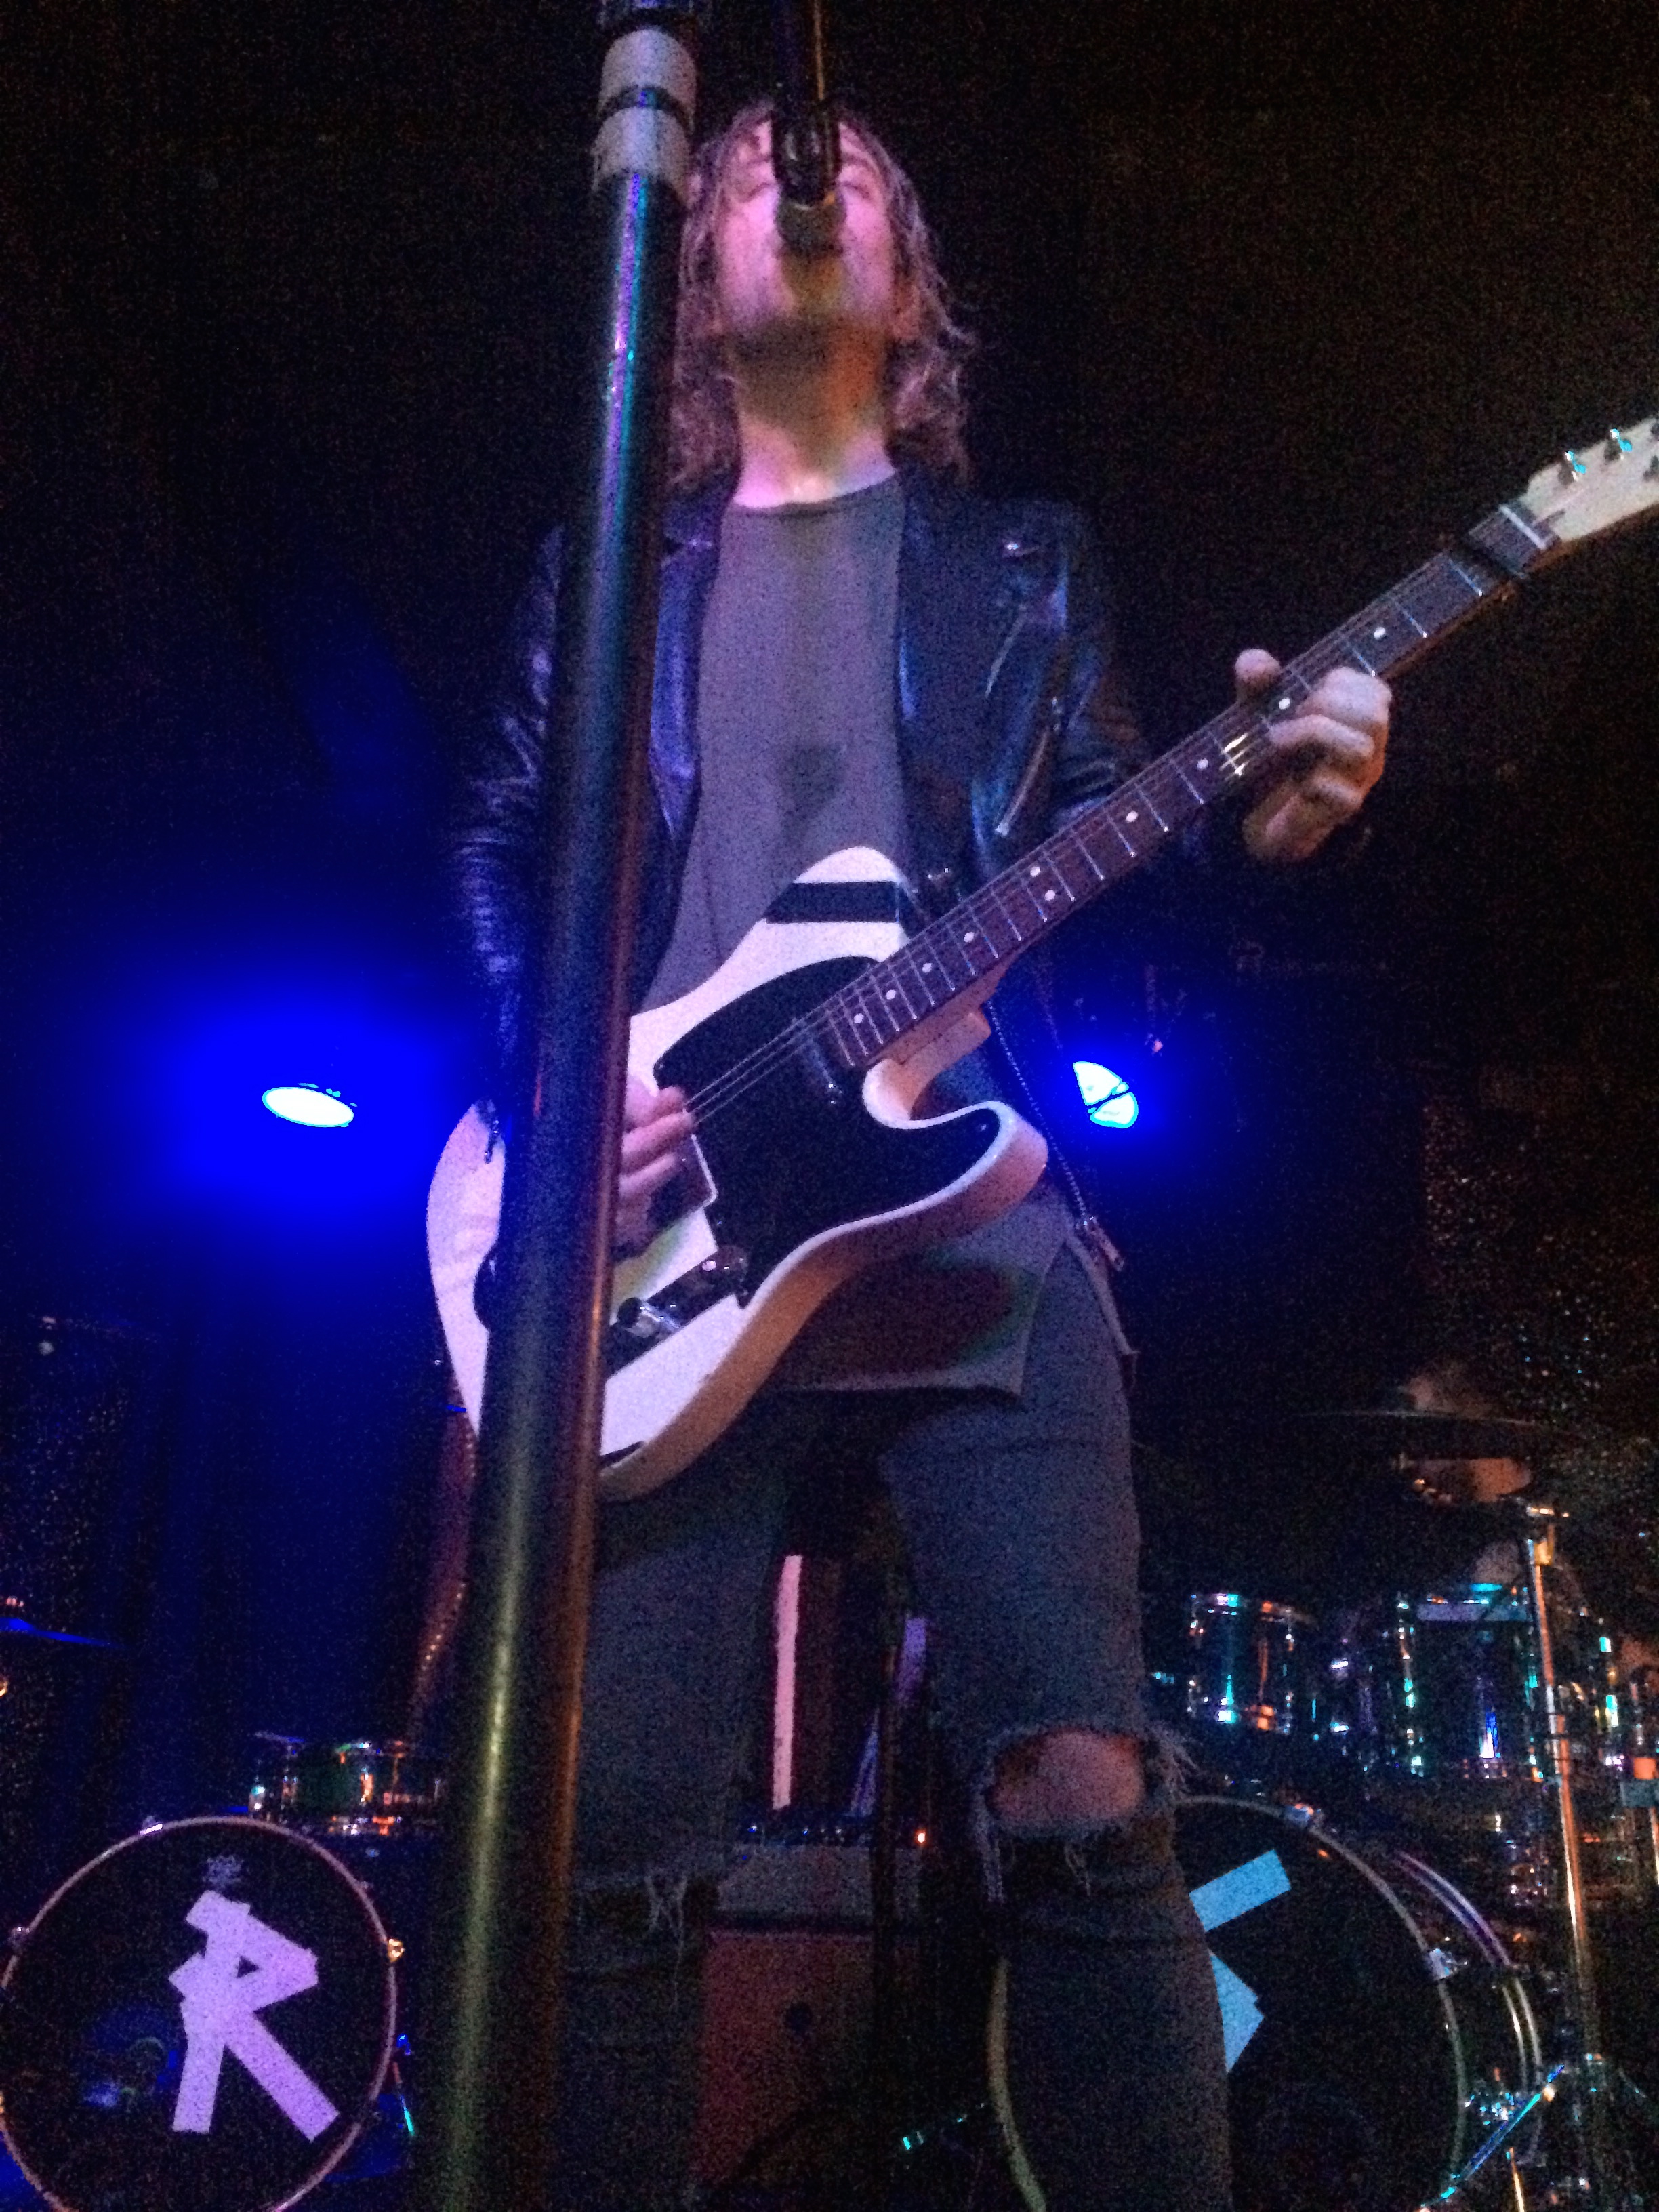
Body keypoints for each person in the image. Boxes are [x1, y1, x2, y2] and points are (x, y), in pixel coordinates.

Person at [451, 100, 1389, 2212]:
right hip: (674, 1241)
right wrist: (557, 1092)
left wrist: (1273, 824)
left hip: (963, 1206)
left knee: (1087, 1800)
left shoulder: (1024, 562)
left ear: (915, 281)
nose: (803, 179)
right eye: (747, 169)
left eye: (852, 164)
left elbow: (1120, 841)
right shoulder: (610, 569)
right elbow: (505, 838)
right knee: (613, 1858)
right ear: (690, 279)